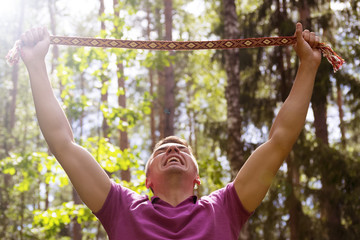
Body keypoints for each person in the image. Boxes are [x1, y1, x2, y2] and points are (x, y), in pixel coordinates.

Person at [20, 22, 321, 239]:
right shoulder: (121, 207)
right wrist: (35, 66)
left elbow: (279, 141)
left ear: (198, 179)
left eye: (182, 150)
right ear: (147, 180)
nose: (174, 150)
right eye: (162, 150)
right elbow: (63, 144)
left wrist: (308, 66)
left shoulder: (226, 207)